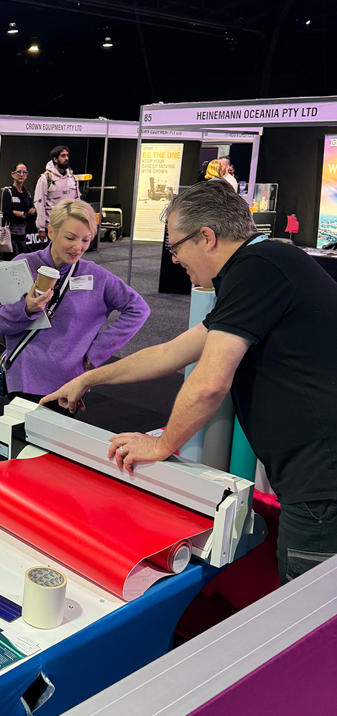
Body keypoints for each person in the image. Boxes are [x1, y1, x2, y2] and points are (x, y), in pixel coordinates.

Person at [42, 180, 337, 586]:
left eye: (176, 246)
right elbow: (172, 352)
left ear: (207, 237)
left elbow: (209, 384)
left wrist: (161, 445)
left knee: (309, 612)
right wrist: (88, 378)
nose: (176, 258)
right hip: (316, 478)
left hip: (322, 484)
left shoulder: (256, 269)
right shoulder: (265, 264)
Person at [0, 199, 149, 404]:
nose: (78, 247)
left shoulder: (96, 276)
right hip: (23, 377)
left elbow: (138, 309)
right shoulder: (23, 265)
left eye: (86, 240)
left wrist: (96, 351)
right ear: (51, 232)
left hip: (69, 383)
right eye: (70, 238)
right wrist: (24, 309)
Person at [34, 145, 80, 238]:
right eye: (63, 156)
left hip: (70, 225)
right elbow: (40, 204)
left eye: (67, 155)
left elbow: (77, 203)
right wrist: (41, 228)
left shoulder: (73, 179)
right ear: (55, 159)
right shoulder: (46, 178)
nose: (66, 158)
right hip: (54, 226)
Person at [0, 164, 36, 255]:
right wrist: (25, 215)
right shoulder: (8, 192)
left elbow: (33, 216)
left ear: (26, 175)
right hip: (9, 236)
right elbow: (7, 215)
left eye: (24, 172)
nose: (21, 175)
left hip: (23, 236)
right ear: (13, 174)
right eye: (19, 172)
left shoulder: (27, 194)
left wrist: (19, 213)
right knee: (11, 261)